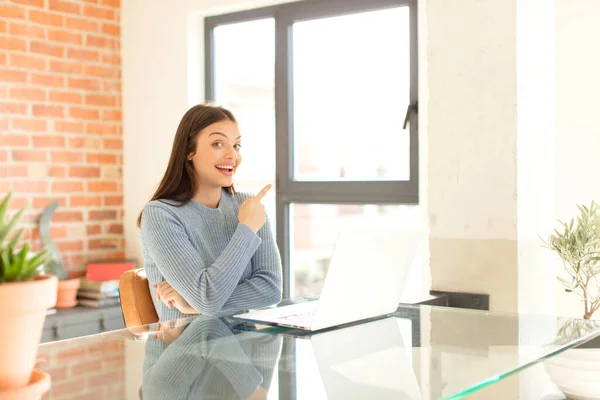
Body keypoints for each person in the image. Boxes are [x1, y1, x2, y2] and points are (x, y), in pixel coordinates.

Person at [138, 103, 282, 322]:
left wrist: (193, 305)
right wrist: (246, 229)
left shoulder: (247, 206)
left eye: (237, 146)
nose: (232, 154)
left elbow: (271, 289)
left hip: (241, 350)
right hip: (186, 351)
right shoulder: (160, 215)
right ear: (189, 151)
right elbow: (207, 299)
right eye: (218, 143)